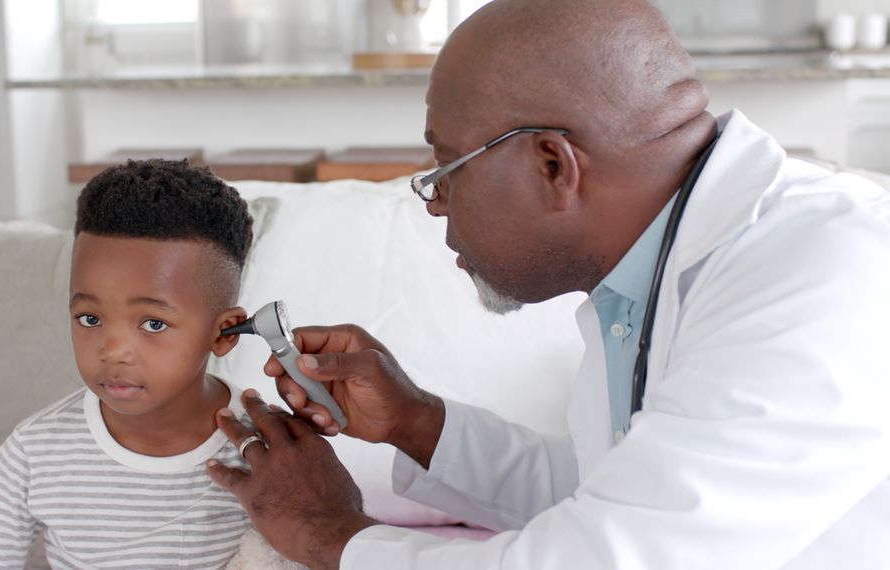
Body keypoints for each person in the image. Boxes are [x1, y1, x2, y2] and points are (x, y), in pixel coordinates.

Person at [205, 0, 890, 568]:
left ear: (553, 165)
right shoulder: (648, 273)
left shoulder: (822, 271)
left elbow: (611, 557)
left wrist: (329, 535)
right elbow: (607, 491)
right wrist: (416, 422)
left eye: (446, 170)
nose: (434, 202)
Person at [0, 160, 275, 568]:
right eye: (90, 319)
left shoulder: (268, 450)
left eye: (154, 323)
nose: (113, 350)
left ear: (224, 333)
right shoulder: (34, 452)